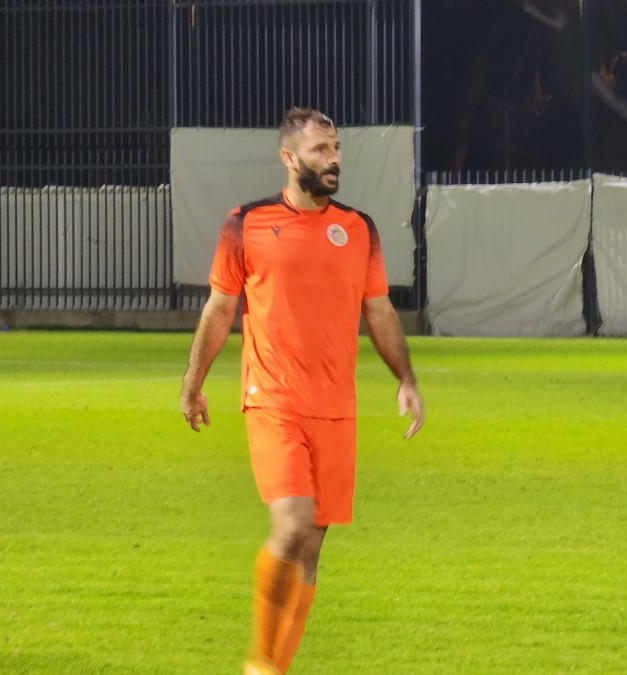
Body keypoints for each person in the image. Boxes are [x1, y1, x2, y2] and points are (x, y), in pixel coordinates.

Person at [179, 107, 425, 674]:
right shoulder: (246, 223)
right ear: (289, 158)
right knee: (291, 529)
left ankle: (276, 667)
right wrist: (193, 385)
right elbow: (220, 309)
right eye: (320, 150)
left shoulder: (359, 229)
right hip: (273, 400)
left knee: (311, 552)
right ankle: (259, 665)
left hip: (336, 409)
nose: (333, 159)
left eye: (336, 148)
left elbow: (379, 310)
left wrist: (406, 379)